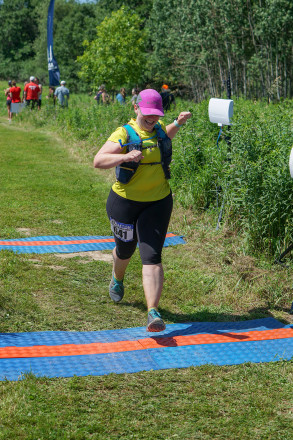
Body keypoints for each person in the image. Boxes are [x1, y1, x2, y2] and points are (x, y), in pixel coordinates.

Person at [94, 89, 191, 332]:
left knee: (152, 255)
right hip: (124, 203)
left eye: (156, 115)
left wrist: (176, 124)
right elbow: (98, 160)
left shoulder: (158, 129)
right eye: (147, 114)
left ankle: (153, 312)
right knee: (125, 251)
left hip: (158, 201)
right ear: (136, 109)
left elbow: (162, 138)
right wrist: (124, 157)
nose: (152, 120)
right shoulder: (123, 133)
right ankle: (117, 278)